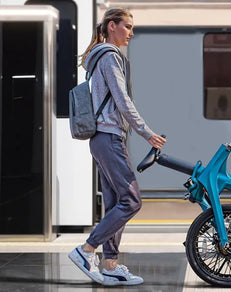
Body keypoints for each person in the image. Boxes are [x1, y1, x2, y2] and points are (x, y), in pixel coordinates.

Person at [68, 7, 166, 286]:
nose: (131, 33)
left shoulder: (98, 58)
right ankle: (86, 250)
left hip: (103, 139)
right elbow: (122, 101)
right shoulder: (110, 57)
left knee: (115, 203)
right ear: (112, 26)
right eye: (128, 27)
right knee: (131, 200)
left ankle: (110, 265)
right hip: (109, 137)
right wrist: (146, 132)